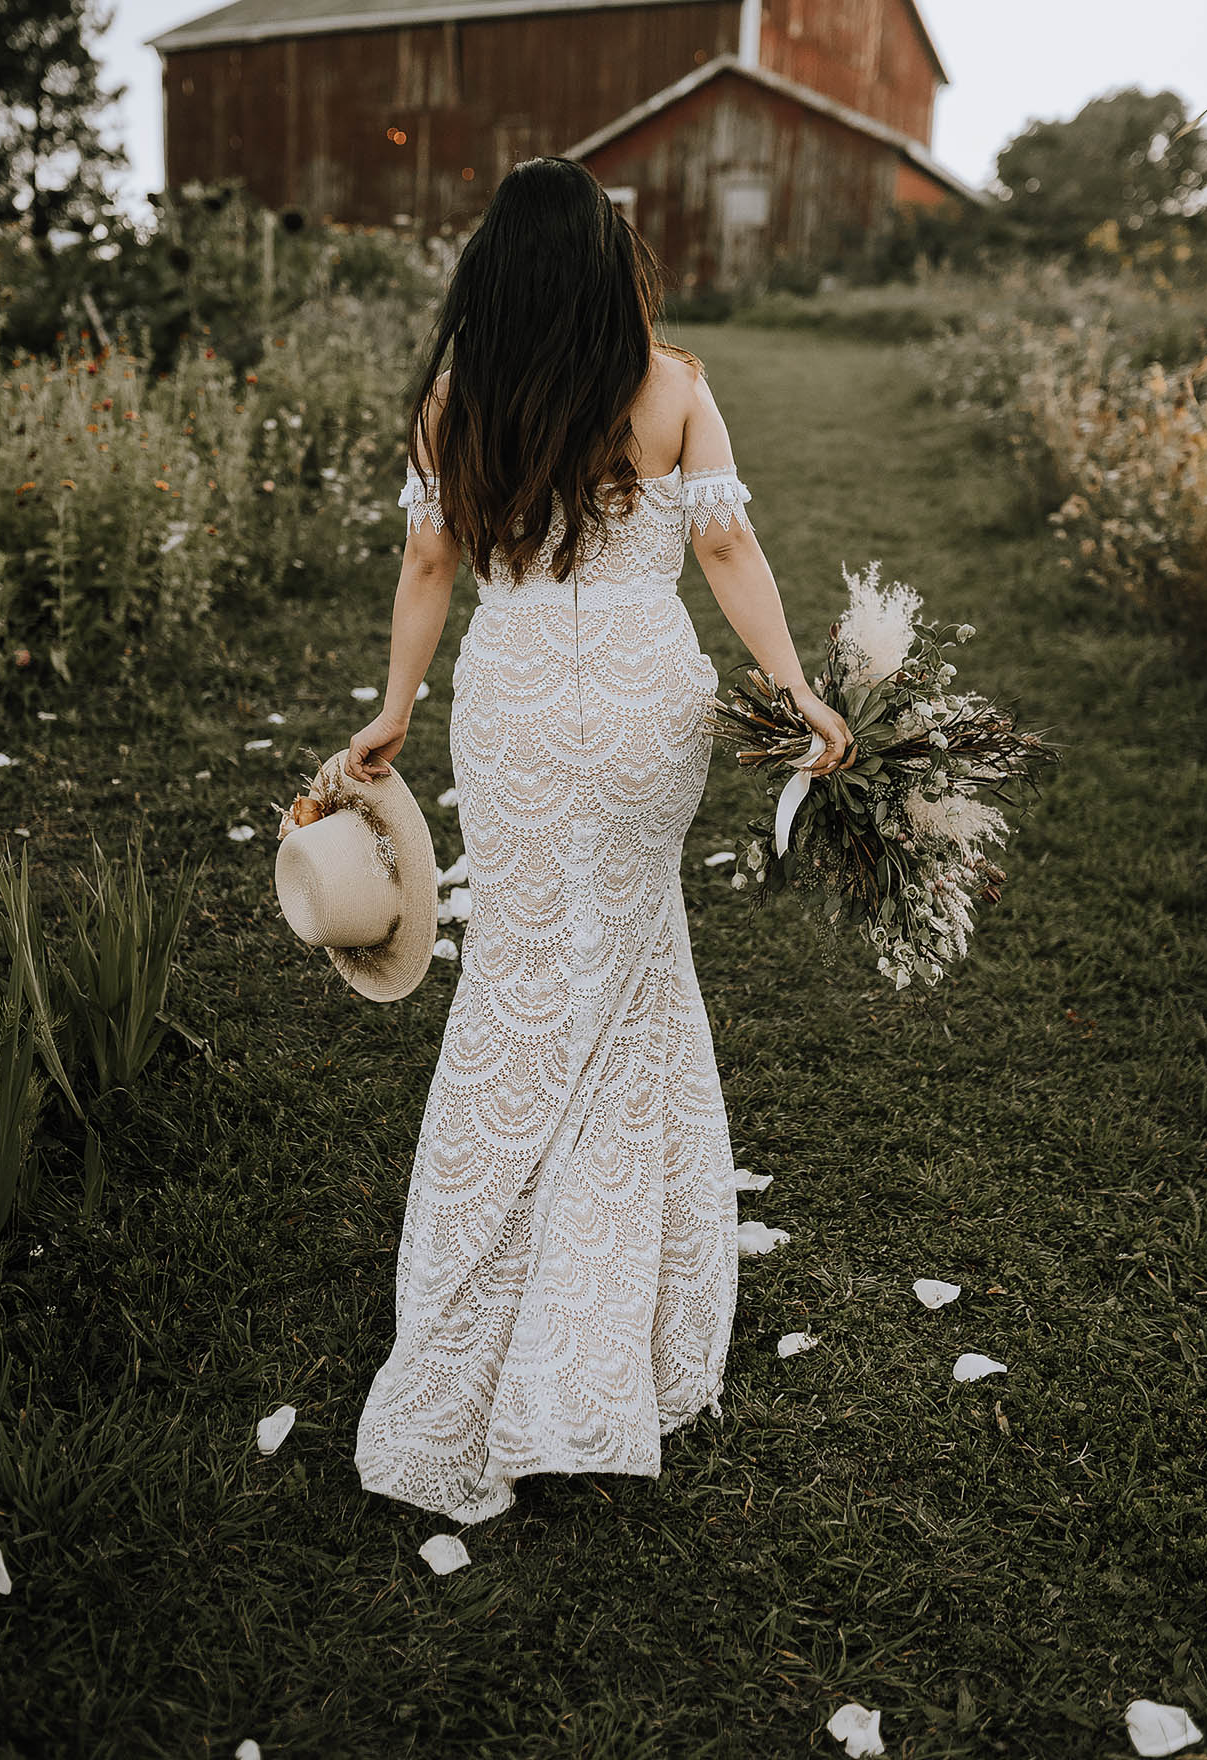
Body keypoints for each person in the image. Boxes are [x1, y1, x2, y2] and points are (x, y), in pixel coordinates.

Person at [347, 158, 854, 1525]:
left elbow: (426, 570)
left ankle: (505, 1293)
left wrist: (394, 709)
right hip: (642, 713)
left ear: (491, 274)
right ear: (608, 259)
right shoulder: (672, 386)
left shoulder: (454, 406)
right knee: (626, 982)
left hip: (509, 712)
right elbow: (727, 554)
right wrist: (798, 684)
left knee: (517, 978)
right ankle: (607, 1317)